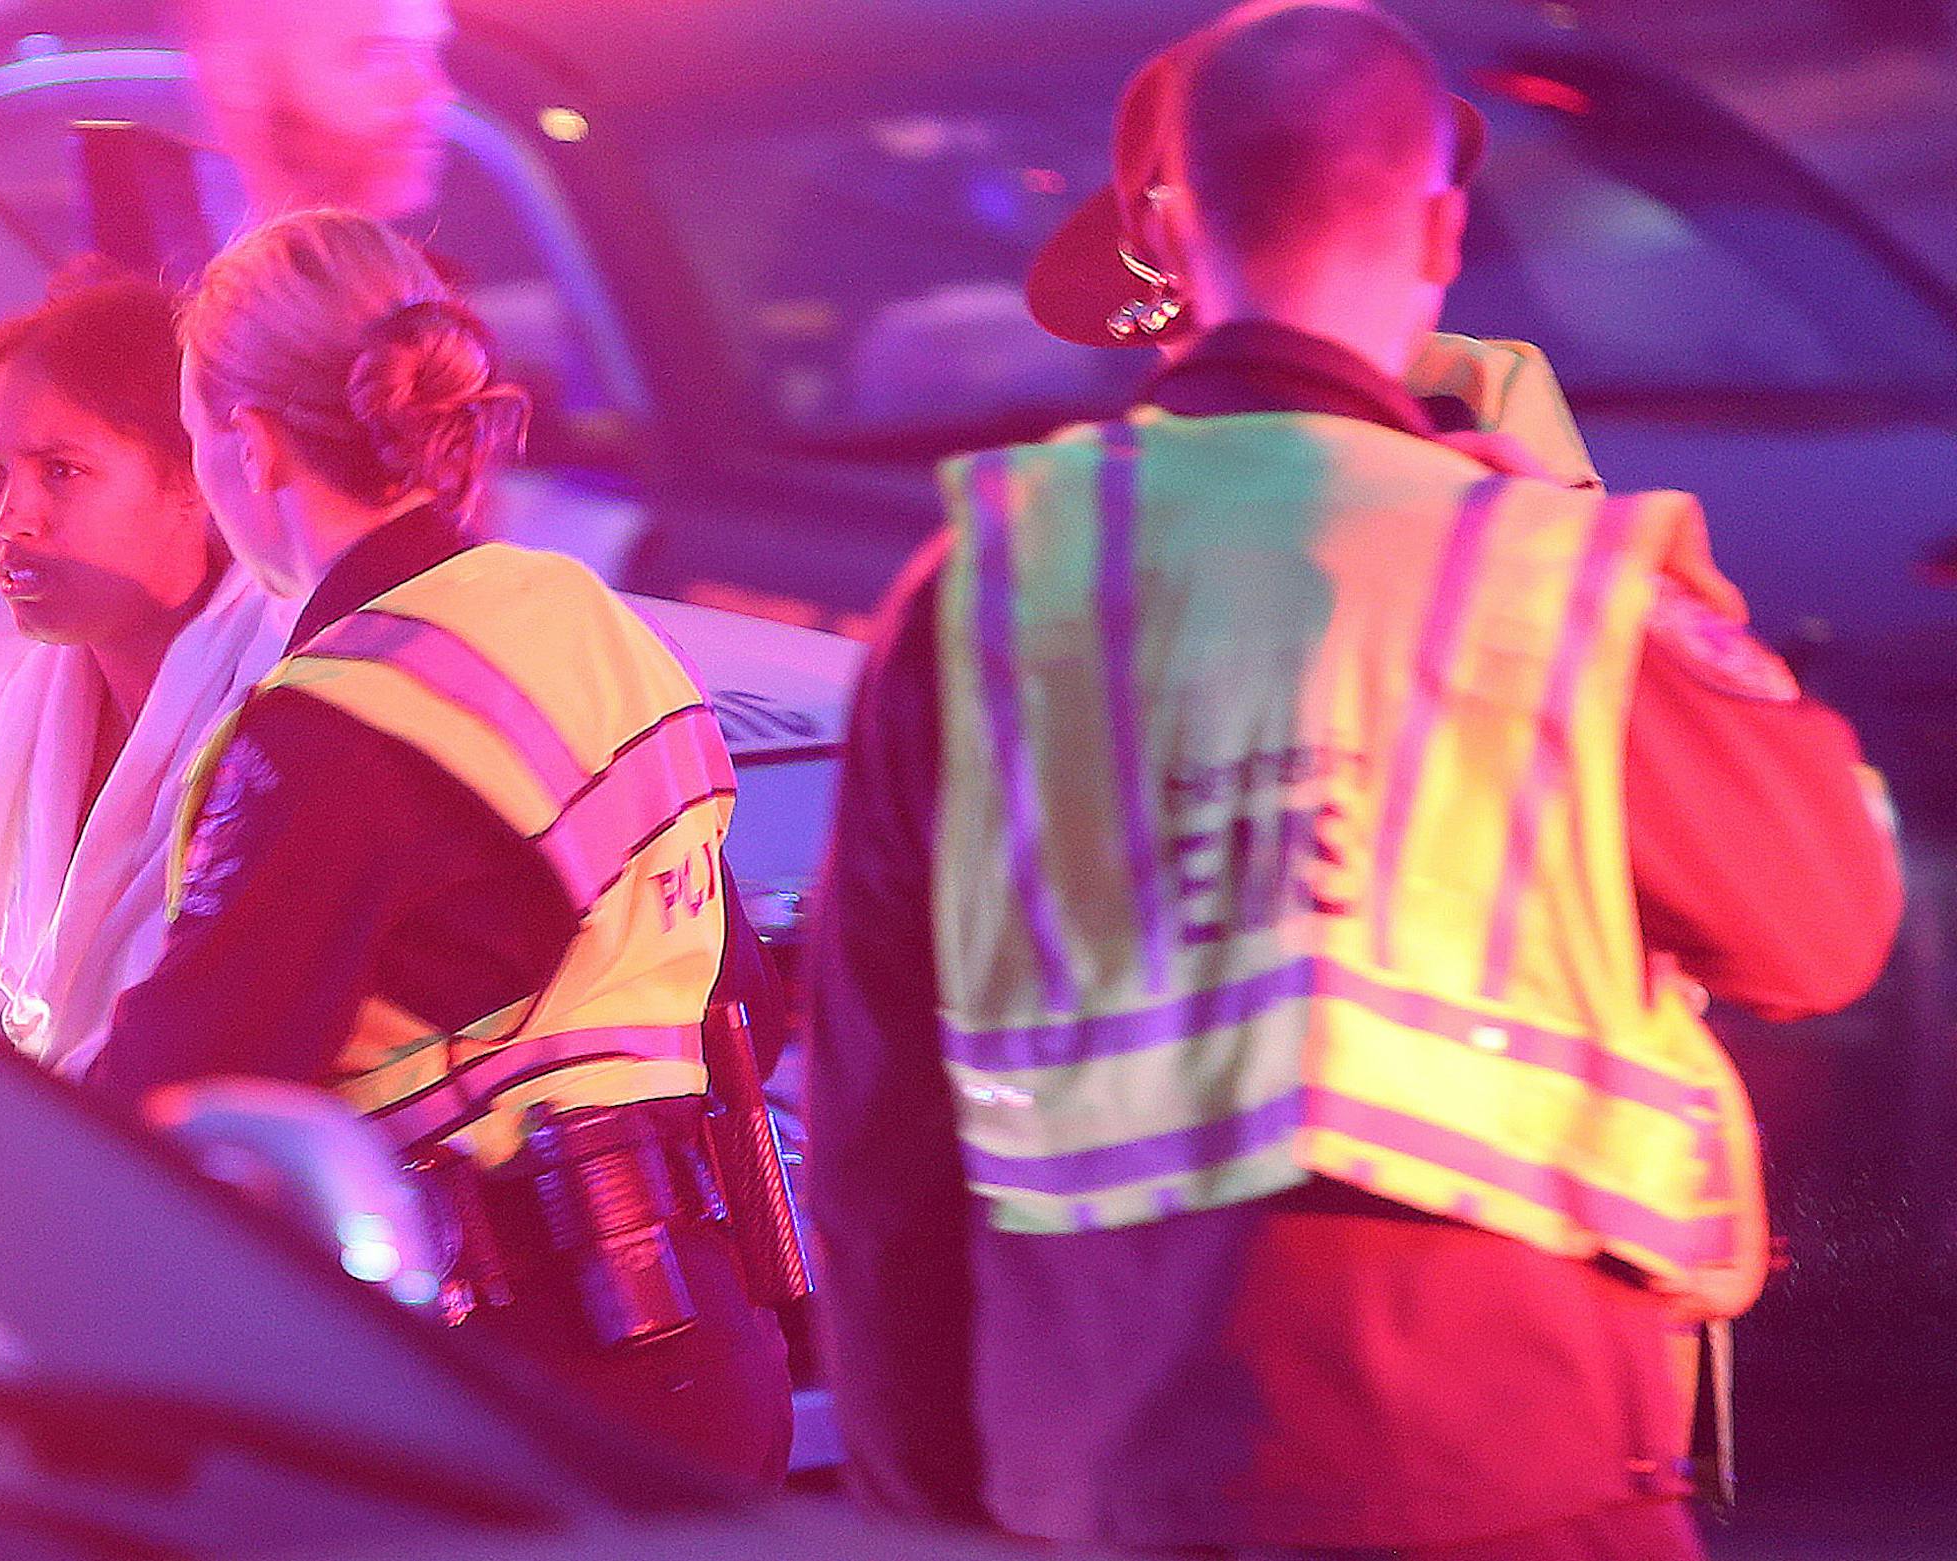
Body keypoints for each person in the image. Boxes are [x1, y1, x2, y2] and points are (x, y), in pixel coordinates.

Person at [806, 3, 1903, 1556]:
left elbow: (880, 1135)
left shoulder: (978, 595)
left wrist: (937, 1497)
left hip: (1111, 1483)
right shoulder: (1532, 575)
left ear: (1167, 241)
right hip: (1512, 1470)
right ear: (1442, 224)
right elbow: (1822, 925)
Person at [86, 209, 792, 1485]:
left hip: (514, 1392)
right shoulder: (582, 624)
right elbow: (744, 996)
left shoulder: (336, 726)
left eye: (197, 445)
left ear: (251, 443)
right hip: (709, 1357)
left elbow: (185, 1091)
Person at [0, 271, 288, 1078]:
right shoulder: (20, 710)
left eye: (62, 471)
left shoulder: (288, 712)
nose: (11, 520)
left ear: (193, 476)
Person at [178, 0, 455, 223]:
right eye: (379, 55)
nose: (432, 92)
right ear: (234, 72)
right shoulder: (162, 282)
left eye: (428, 52)